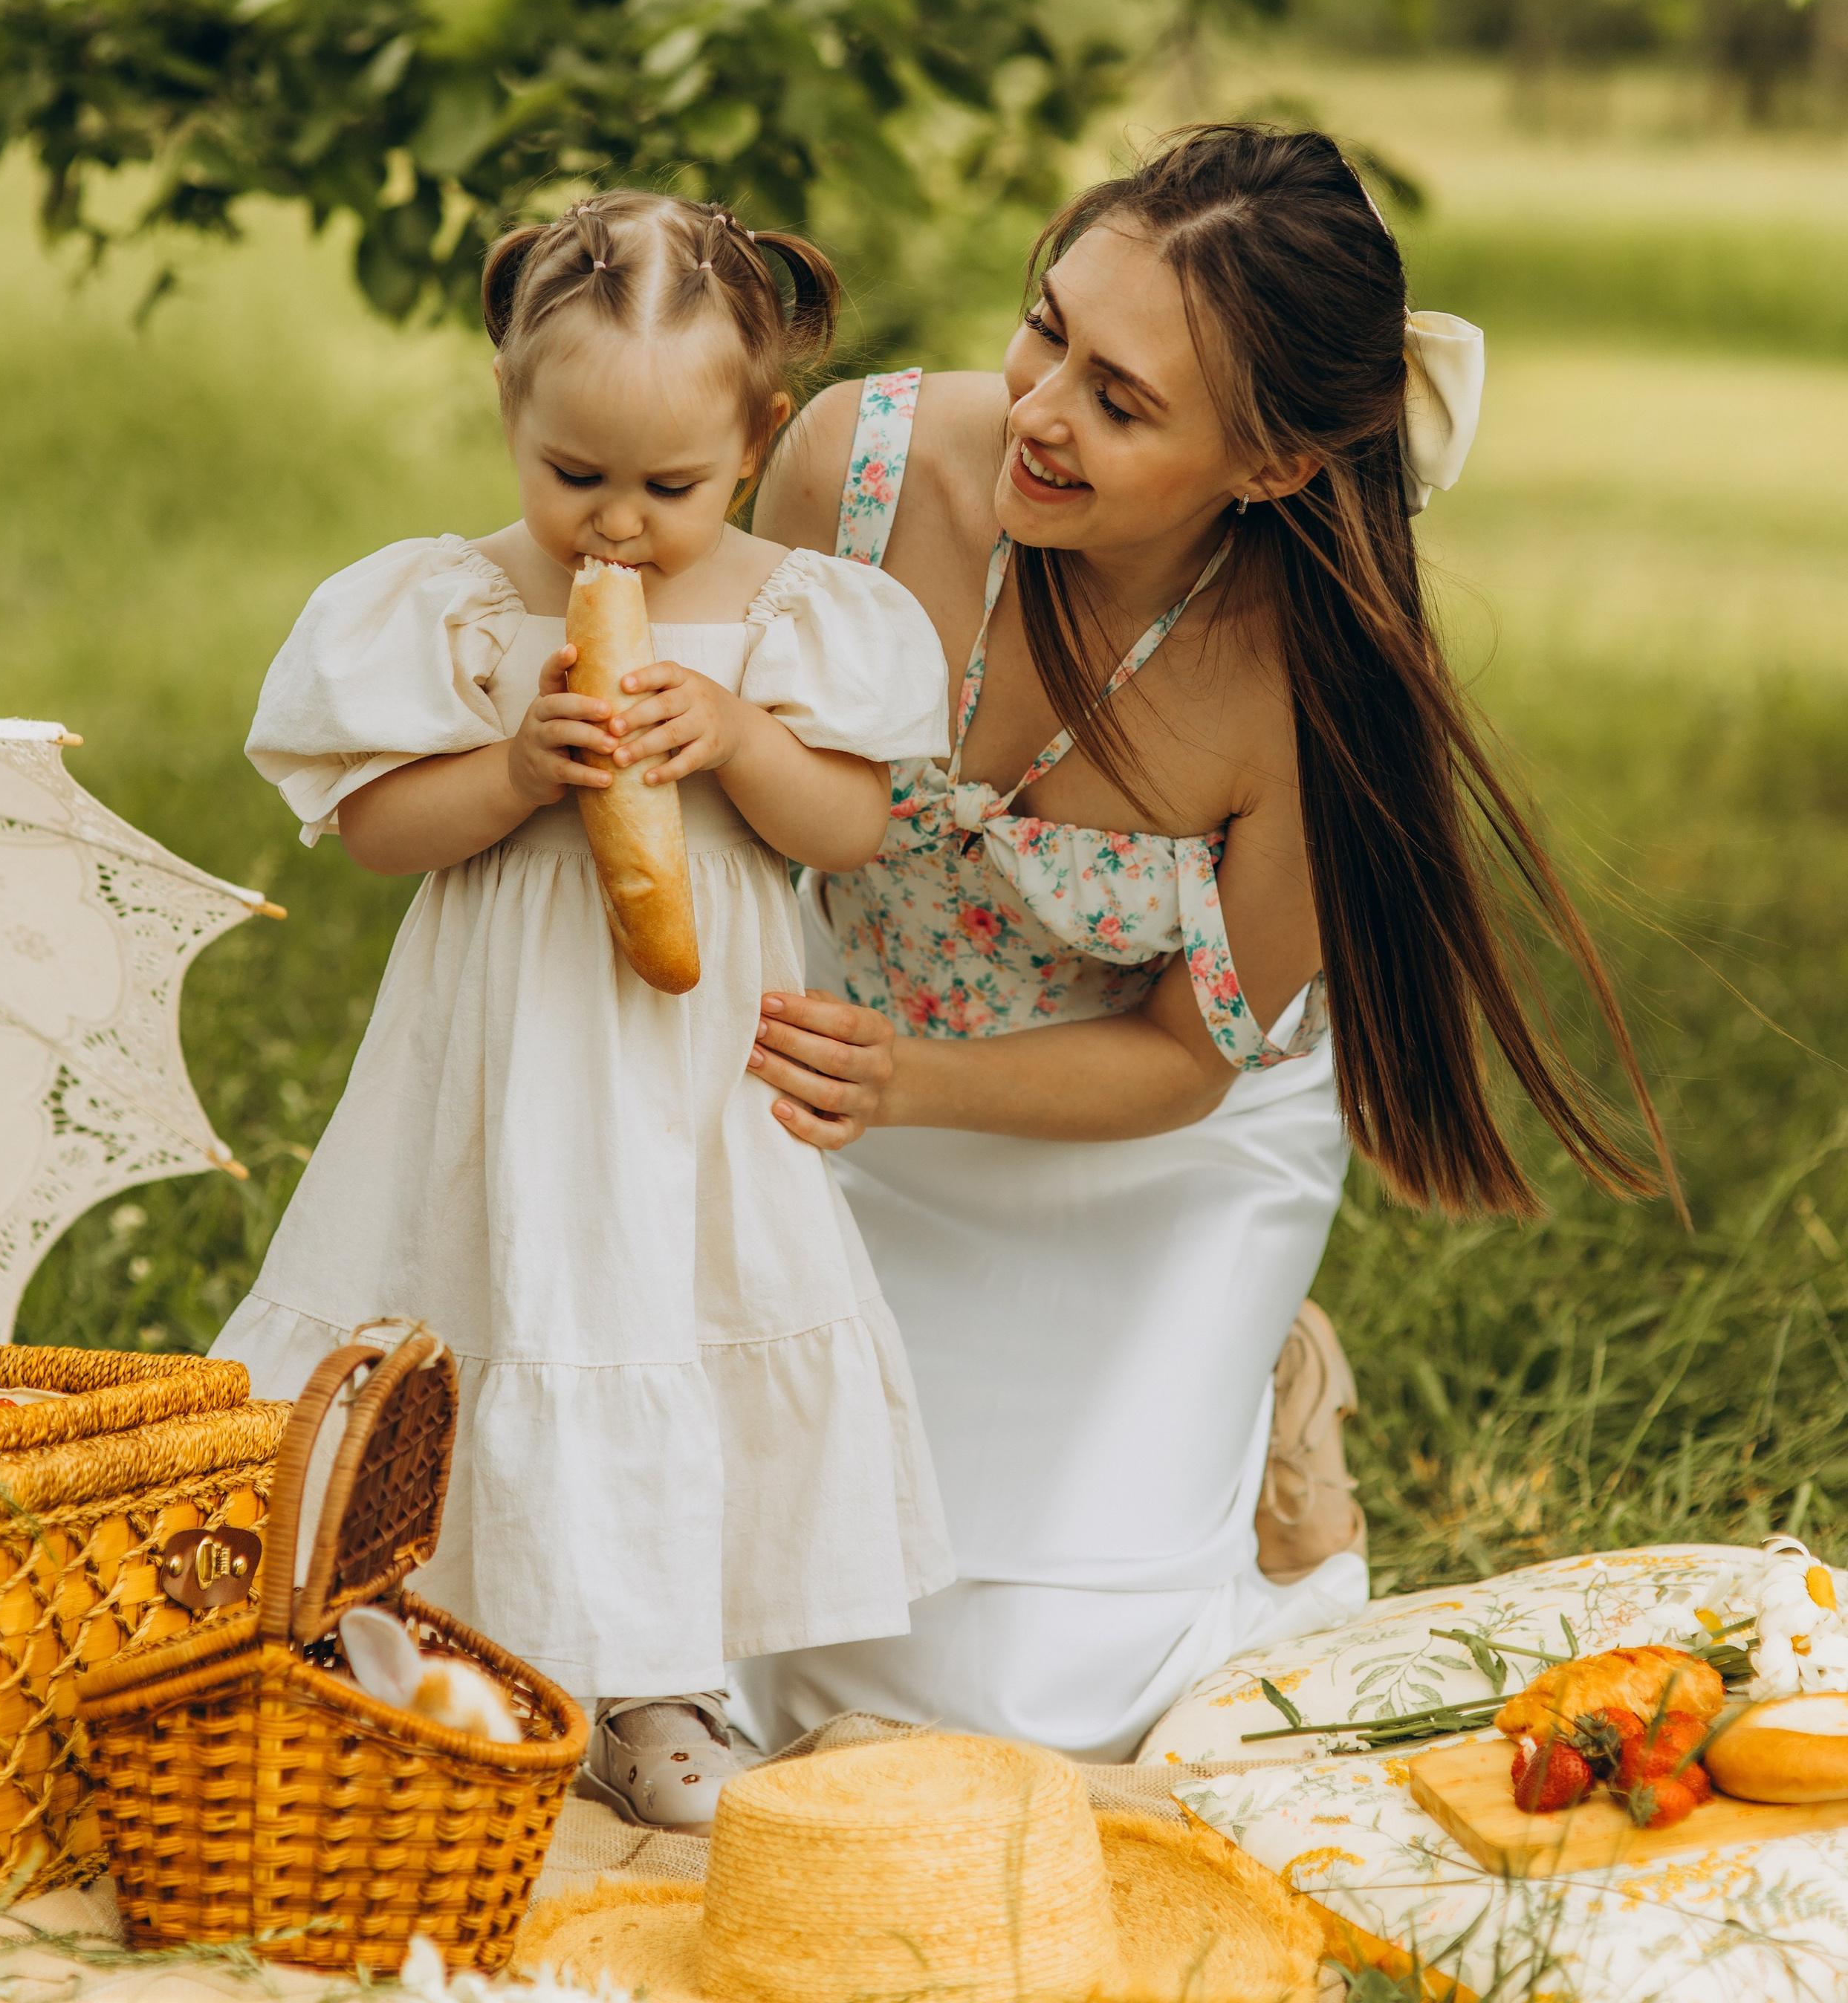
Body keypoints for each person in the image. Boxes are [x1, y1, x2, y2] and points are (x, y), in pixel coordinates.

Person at [733, 123, 1670, 1763]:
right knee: (733, 1623)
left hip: (1143, 1140)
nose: (1036, 409)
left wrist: (913, 1085)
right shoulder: (850, 471)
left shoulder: (1307, 693)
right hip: (829, 1090)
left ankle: (1266, 1400)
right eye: (1047, 329)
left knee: (1023, 1702)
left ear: (1268, 467)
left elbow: (1182, 1053)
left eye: (1118, 400)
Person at [215, 194, 954, 1829]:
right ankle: (429, 1644)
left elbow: (851, 829)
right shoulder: (464, 602)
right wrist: (510, 770)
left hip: (693, 1081)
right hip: (502, 1057)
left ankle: (659, 1689)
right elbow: (372, 834)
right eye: (574, 477)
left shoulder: (784, 613)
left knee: (666, 1313)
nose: (614, 528)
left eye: (669, 487)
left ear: (755, 443)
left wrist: (741, 741)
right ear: (509, 414)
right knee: (483, 1295)